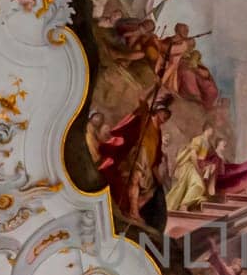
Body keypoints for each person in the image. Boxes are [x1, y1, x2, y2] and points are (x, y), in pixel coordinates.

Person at [96, 94, 174, 225]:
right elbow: (142, 102)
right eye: (164, 113)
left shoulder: (158, 133)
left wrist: (158, 177)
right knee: (135, 180)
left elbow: (156, 156)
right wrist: (153, 87)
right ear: (157, 110)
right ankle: (133, 212)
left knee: (151, 191)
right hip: (136, 157)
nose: (166, 117)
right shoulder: (146, 119)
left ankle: (133, 209)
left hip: (147, 165)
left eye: (168, 114)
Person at [156, 23, 219, 106]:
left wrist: (190, 55)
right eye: (184, 30)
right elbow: (168, 49)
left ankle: (198, 96)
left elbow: (187, 53)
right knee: (185, 72)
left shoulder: (187, 45)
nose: (186, 32)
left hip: (182, 61)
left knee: (201, 78)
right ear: (178, 30)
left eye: (187, 30)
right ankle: (191, 94)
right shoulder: (173, 40)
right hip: (173, 62)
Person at [165, 126, 225, 210]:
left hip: (200, 166)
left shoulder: (208, 143)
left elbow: (211, 156)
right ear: (208, 129)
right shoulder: (198, 139)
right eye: (212, 129)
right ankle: (184, 205)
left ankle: (187, 204)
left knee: (201, 187)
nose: (213, 132)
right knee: (198, 185)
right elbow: (193, 156)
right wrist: (198, 170)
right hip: (190, 166)